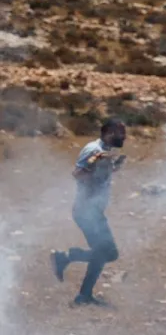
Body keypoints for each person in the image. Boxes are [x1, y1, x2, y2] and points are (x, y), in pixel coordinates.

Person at [52, 118, 126, 306]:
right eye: (120, 133)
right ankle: (66, 258)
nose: (124, 137)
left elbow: (98, 175)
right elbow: (78, 174)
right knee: (108, 253)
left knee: (104, 253)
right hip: (86, 211)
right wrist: (96, 164)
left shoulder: (104, 152)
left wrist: (114, 167)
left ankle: (84, 293)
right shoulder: (94, 150)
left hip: (93, 211)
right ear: (109, 132)